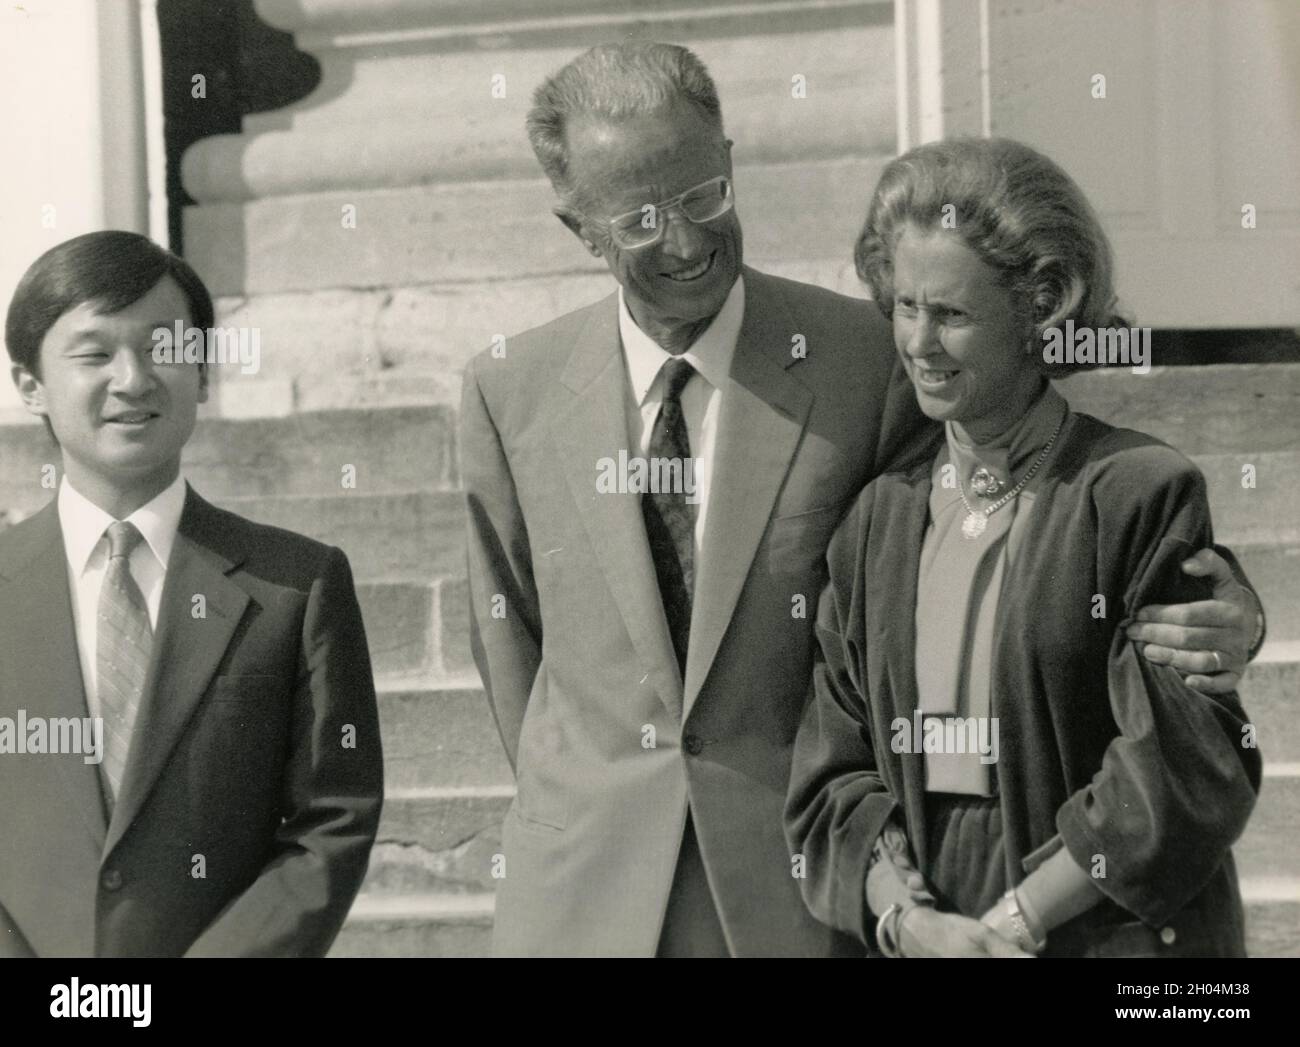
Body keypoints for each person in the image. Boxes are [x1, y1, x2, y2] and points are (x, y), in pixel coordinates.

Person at [460, 43, 1262, 957]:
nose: (684, 241)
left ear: (730, 161)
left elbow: (1057, 494)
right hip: (584, 900)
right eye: (641, 219)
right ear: (580, 228)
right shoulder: (506, 391)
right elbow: (511, 645)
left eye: (701, 197)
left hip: (796, 900)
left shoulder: (866, 359)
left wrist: (1227, 605)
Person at [785, 137, 1263, 958]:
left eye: (953, 314)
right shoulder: (875, 522)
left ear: (1038, 310)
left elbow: (1184, 766)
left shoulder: (1138, 493)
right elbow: (835, 768)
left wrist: (1016, 921)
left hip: (1102, 923)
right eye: (905, 306)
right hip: (932, 913)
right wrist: (909, 920)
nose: (919, 344)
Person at [0, 231, 384, 957]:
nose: (134, 377)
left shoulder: (295, 586)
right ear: (31, 385)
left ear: (203, 372)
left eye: (163, 346)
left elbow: (331, 821)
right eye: (93, 352)